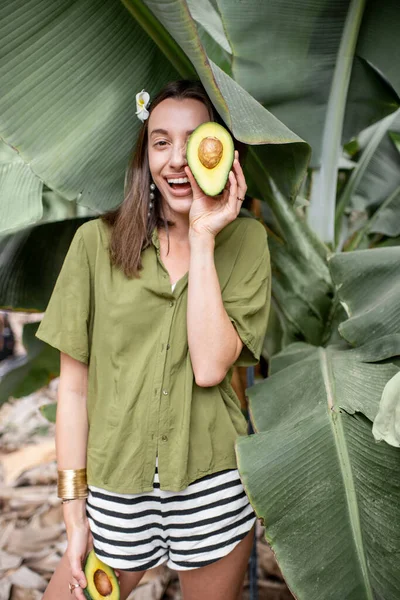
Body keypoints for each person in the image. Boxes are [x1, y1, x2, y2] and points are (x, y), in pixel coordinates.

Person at [36, 79, 271, 600]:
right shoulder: (95, 245)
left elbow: (211, 367)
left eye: (195, 142)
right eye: (161, 141)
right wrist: (76, 517)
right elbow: (72, 392)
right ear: (145, 154)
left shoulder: (247, 240)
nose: (177, 159)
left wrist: (205, 238)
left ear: (222, 152)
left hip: (212, 484)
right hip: (118, 489)